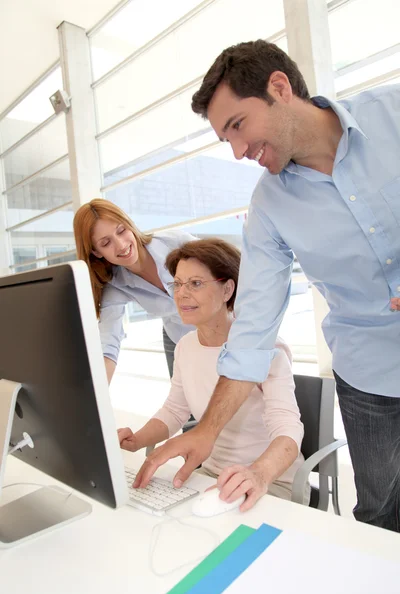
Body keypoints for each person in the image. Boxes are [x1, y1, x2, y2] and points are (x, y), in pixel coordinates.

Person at [134, 40, 400, 532]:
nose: (238, 151)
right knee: (380, 512)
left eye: (237, 126)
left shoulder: (392, 115)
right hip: (368, 375)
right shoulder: (269, 208)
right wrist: (205, 432)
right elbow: (252, 328)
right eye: (226, 140)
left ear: (279, 87)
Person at [119, 238, 308, 510]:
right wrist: (136, 440)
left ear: (228, 289)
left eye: (195, 283)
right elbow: (174, 411)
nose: (181, 294)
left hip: (267, 480)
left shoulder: (266, 349)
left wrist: (258, 473)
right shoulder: (185, 347)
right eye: (178, 284)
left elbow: (289, 429)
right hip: (210, 475)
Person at [73, 199, 196, 382]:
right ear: (97, 253)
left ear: (130, 225)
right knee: (188, 406)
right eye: (106, 243)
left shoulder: (175, 243)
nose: (121, 245)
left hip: (220, 327)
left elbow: (229, 269)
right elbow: (108, 342)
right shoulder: (116, 285)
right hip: (178, 337)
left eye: (121, 231)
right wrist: (96, 395)